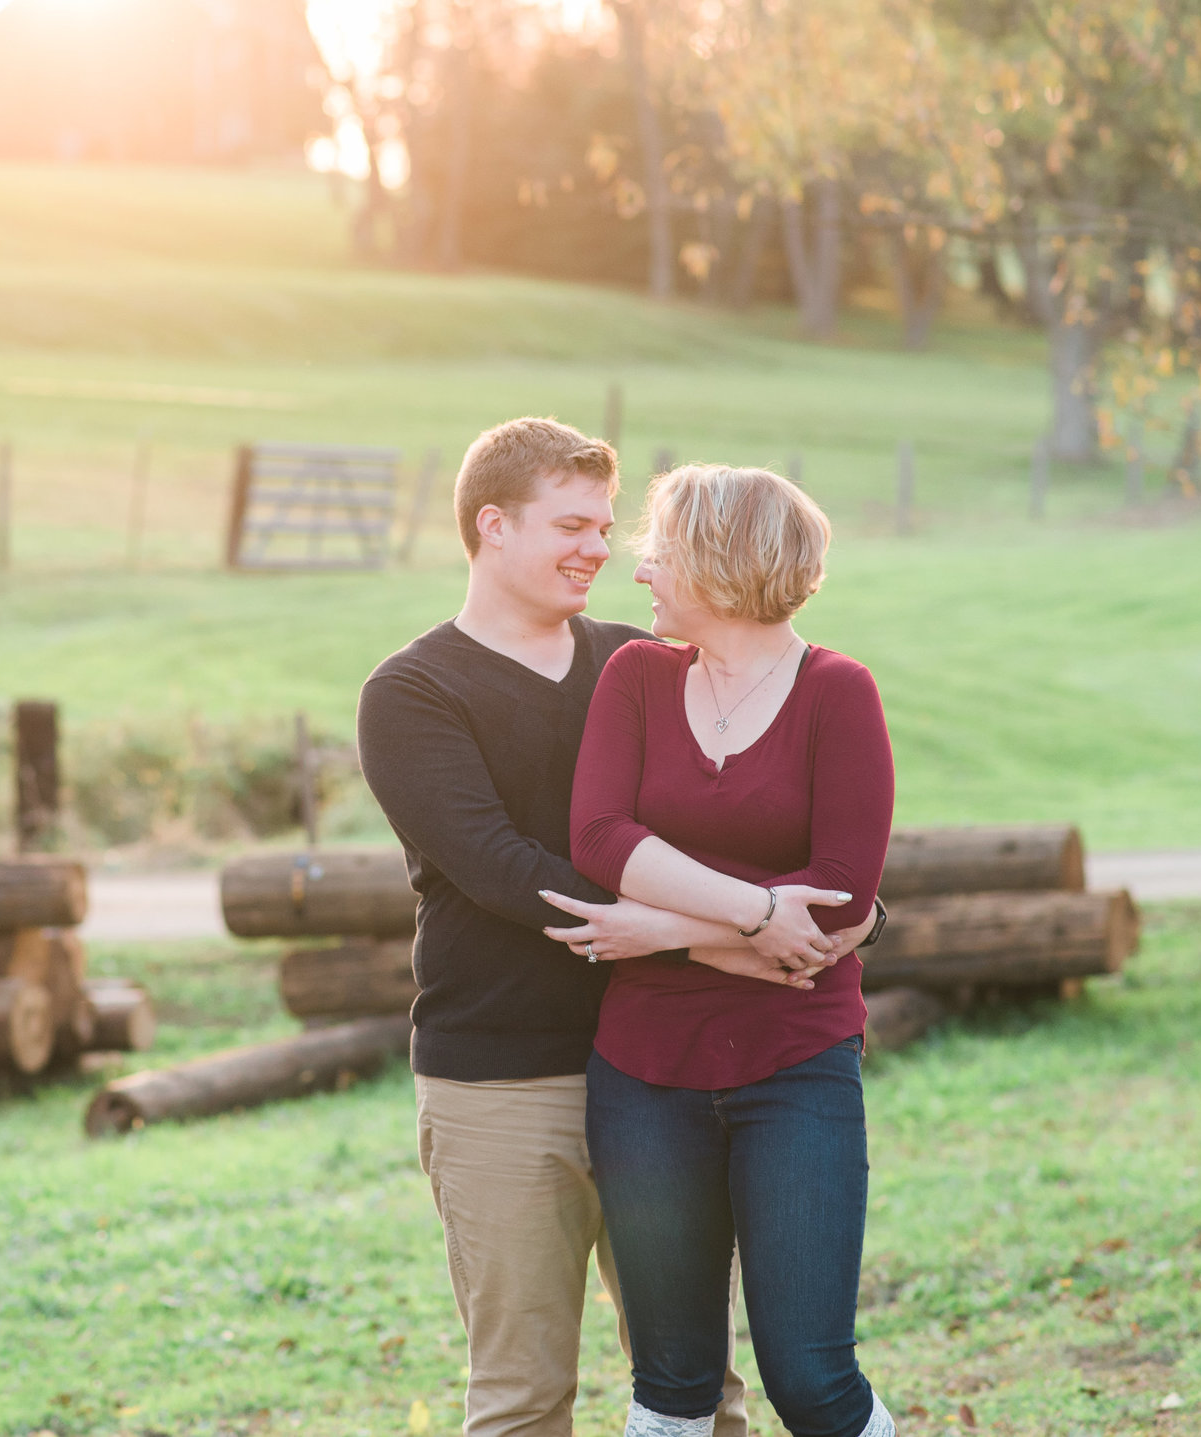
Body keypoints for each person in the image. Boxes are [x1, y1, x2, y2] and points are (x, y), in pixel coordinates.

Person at [357, 420, 876, 1437]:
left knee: (692, 1383)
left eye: (606, 523)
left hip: (658, 1068)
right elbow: (510, 872)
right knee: (523, 1393)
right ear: (492, 526)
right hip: (503, 1077)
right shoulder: (412, 692)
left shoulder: (639, 660)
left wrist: (839, 915)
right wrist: (731, 933)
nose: (601, 547)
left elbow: (761, 826)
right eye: (572, 524)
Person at [545, 463, 896, 1437]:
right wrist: (751, 913)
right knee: (671, 1381)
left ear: (718, 560)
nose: (639, 571)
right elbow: (601, 838)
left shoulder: (837, 692)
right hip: (642, 1075)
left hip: (796, 1070)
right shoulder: (637, 680)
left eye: (657, 551)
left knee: (811, 1380)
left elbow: (837, 911)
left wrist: (662, 926)